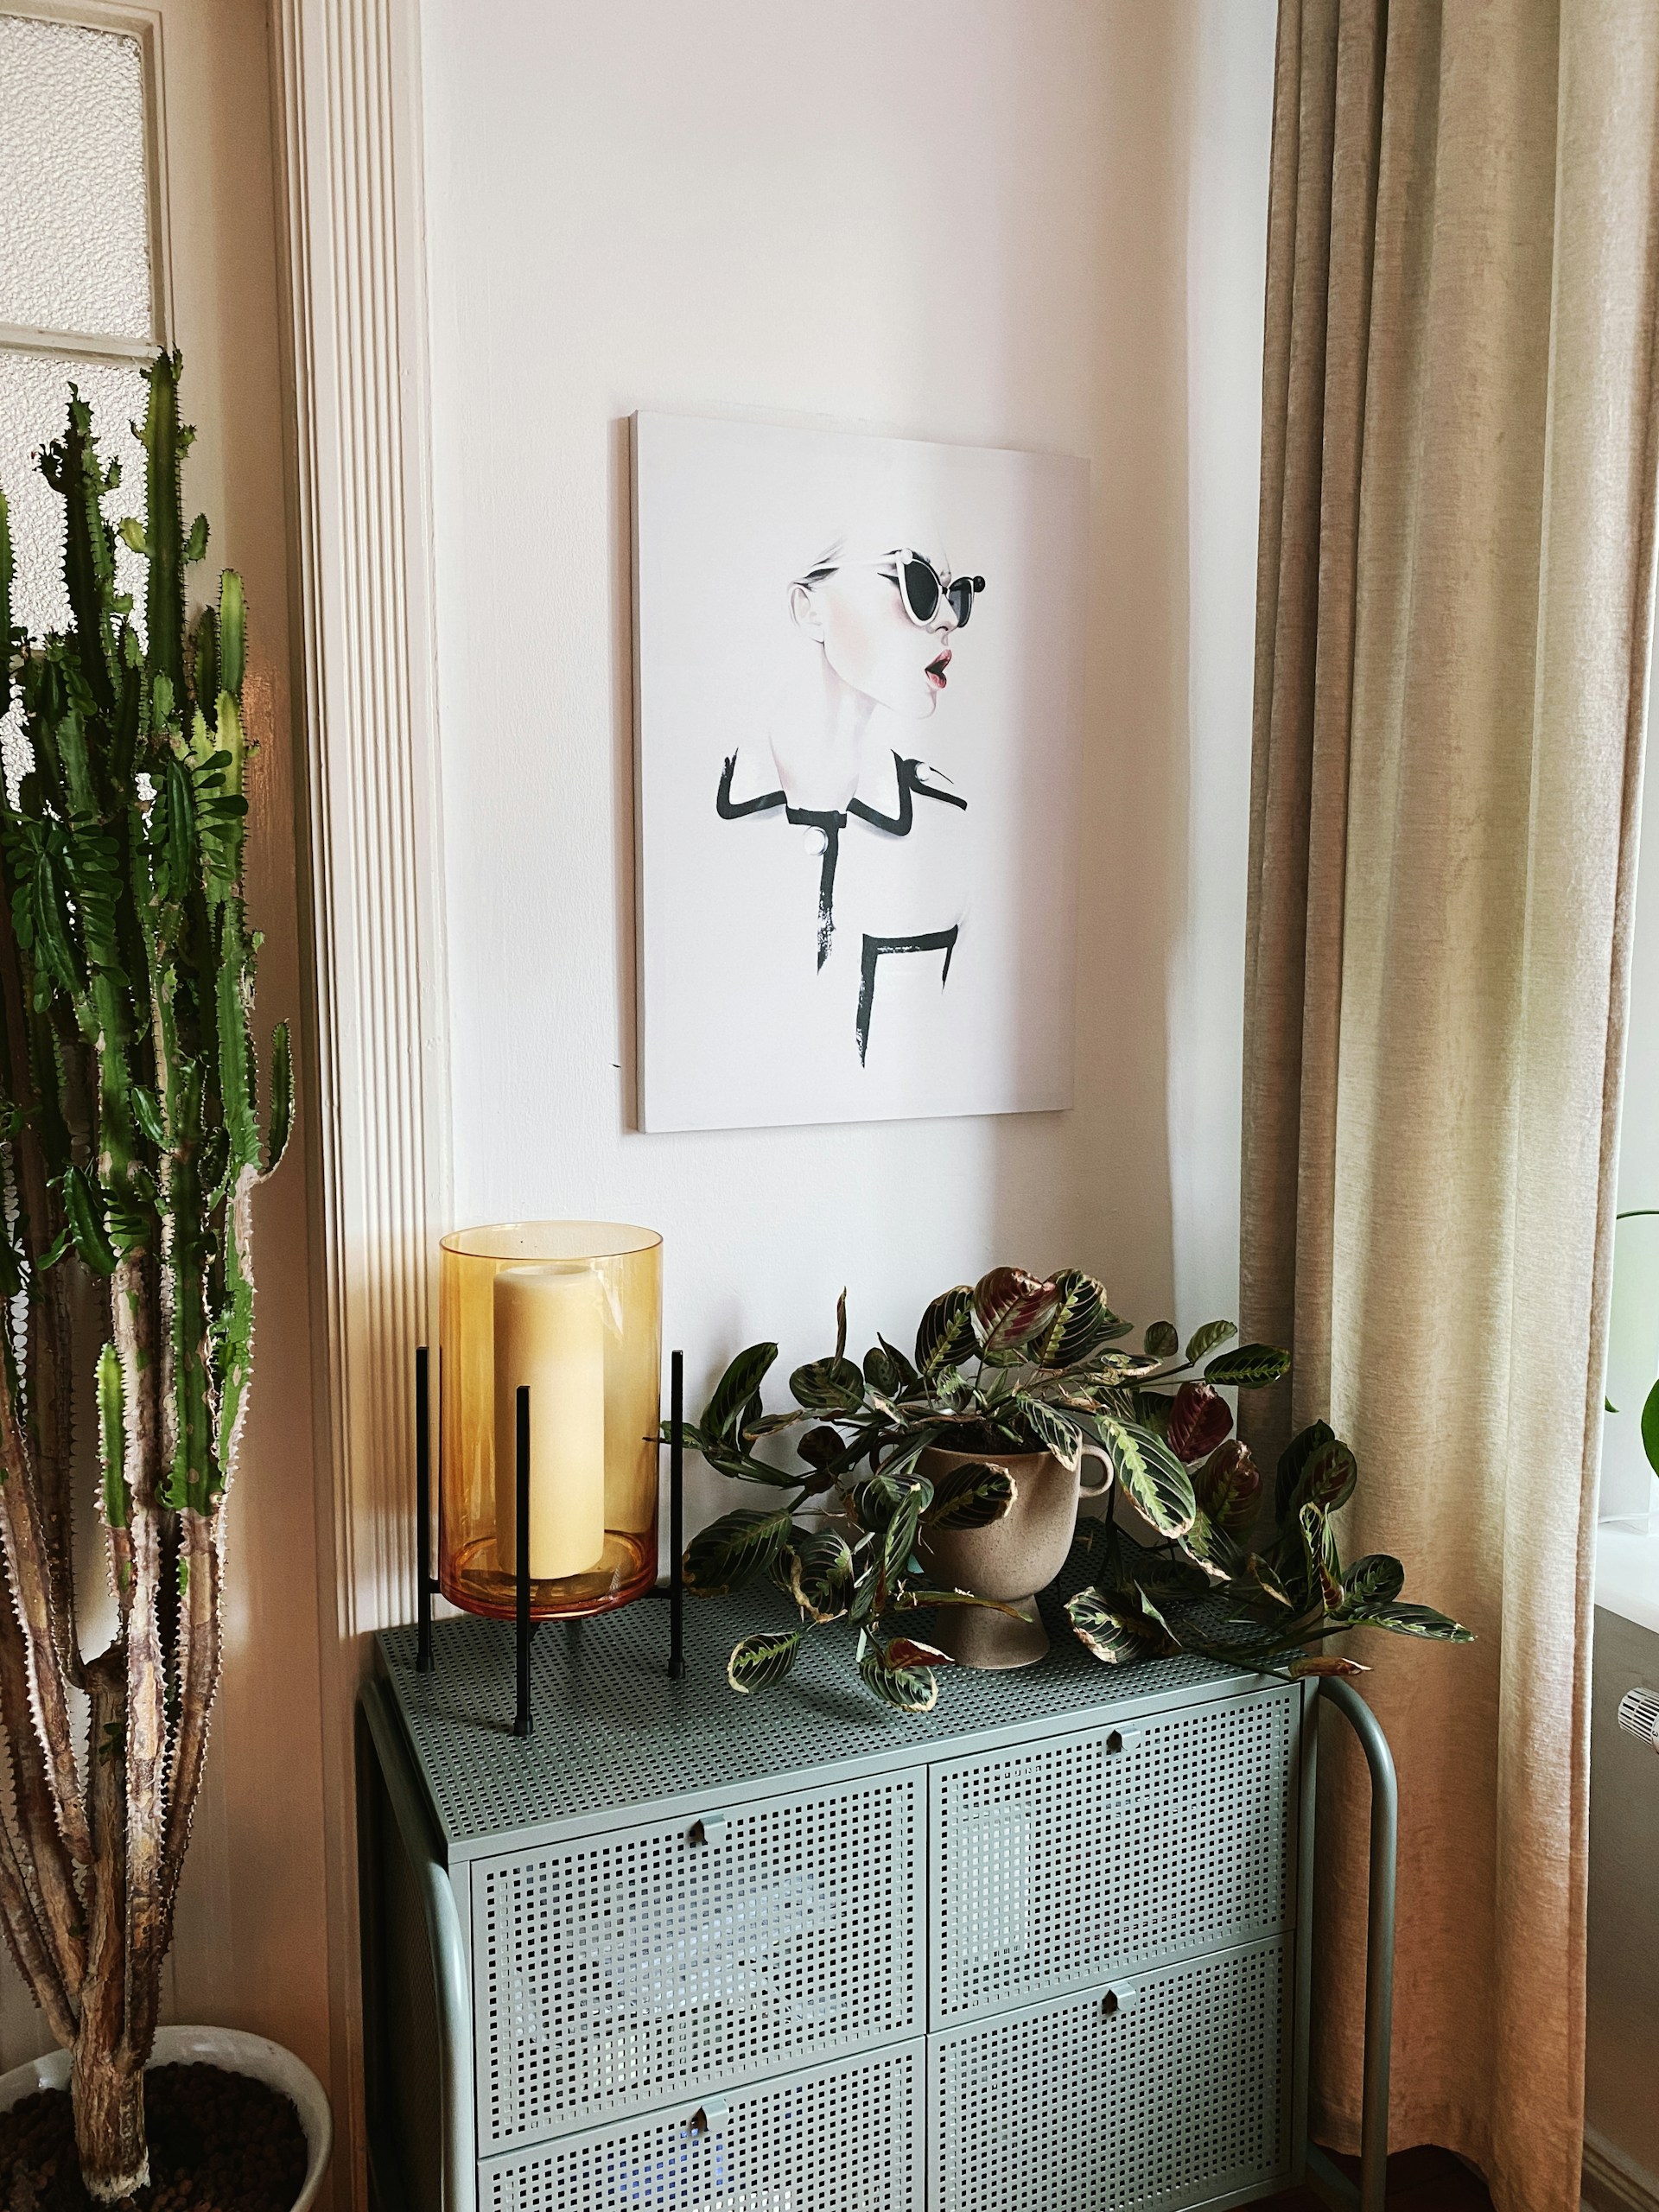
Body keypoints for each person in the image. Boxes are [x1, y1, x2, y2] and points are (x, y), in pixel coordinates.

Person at [716, 532, 985, 1064]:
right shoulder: (686, 820)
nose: (947, 620)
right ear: (808, 608)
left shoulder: (950, 827)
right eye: (918, 586)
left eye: (958, 597)